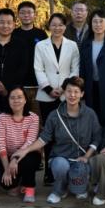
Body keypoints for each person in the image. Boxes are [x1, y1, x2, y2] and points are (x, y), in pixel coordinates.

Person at [23, 77, 102, 204]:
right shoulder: (55, 115)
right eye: (69, 91)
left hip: (81, 159)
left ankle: (78, 184)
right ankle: (59, 189)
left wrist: (86, 156)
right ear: (64, 92)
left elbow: (97, 138)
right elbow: (44, 138)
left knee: (79, 191)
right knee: (60, 165)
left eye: (76, 92)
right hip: (60, 157)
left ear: (82, 94)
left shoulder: (90, 114)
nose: (72, 95)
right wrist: (26, 150)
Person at [35, 12, 81, 184]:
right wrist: (48, 88)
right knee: (49, 134)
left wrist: (63, 88)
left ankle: (67, 169)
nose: (57, 28)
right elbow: (38, 69)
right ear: (49, 26)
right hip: (46, 96)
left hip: (67, 96)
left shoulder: (72, 45)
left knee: (66, 133)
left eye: (60, 25)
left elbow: (75, 69)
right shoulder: (41, 46)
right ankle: (49, 172)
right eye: (54, 25)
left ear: (65, 26)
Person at [0, 86, 41, 203]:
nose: (16, 100)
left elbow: (30, 141)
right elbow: (0, 143)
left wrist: (15, 159)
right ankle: (19, 180)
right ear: (8, 100)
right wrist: (7, 169)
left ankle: (29, 188)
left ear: (25, 100)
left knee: (28, 161)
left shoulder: (33, 118)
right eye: (12, 98)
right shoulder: (2, 117)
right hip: (8, 156)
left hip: (28, 154)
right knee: (7, 184)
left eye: (19, 97)